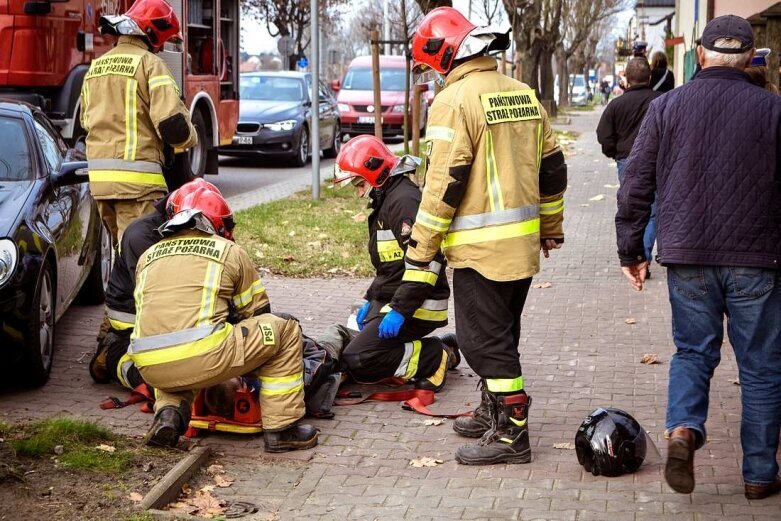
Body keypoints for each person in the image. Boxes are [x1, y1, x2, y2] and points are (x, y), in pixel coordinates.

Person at [615, 15, 781, 499]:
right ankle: (758, 475)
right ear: (751, 57)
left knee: (693, 352)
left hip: (687, 256)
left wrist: (632, 250)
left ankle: (684, 429)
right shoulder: (773, 111)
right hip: (758, 258)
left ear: (702, 55)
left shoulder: (667, 107)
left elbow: (636, 185)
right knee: (762, 367)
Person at [404, 7, 567, 466]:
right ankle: (492, 411)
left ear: (445, 56)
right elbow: (553, 169)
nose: (434, 75)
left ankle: (513, 434)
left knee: (481, 343)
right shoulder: (522, 93)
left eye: (433, 65)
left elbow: (443, 182)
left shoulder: (454, 101)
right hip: (521, 245)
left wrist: (421, 250)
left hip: (480, 249)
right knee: (502, 334)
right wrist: (550, 228)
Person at [129, 185, 318, 452]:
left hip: (148, 365)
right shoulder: (229, 252)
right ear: (218, 224)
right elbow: (257, 313)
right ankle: (282, 429)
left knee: (174, 349)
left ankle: (170, 414)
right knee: (283, 328)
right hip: (205, 355)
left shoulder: (148, 255)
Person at [333, 135, 458, 392]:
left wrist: (399, 310)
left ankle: (434, 356)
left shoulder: (403, 202)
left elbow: (428, 260)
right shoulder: (388, 198)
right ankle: (444, 348)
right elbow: (392, 266)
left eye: (358, 184)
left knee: (359, 358)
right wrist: (372, 298)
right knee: (359, 336)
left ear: (375, 174)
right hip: (400, 296)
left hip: (421, 302)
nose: (358, 193)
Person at [81, 0, 197, 245]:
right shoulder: (150, 65)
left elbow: (85, 121)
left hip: (101, 185)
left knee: (123, 256)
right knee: (141, 259)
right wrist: (191, 137)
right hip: (138, 186)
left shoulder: (96, 67)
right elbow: (172, 126)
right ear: (153, 34)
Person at [597, 57, 661, 276]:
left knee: (630, 207)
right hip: (657, 160)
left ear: (626, 78)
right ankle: (643, 254)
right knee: (653, 211)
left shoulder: (616, 105)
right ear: (649, 77)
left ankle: (637, 255)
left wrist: (614, 153)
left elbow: (603, 134)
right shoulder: (662, 101)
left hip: (627, 161)